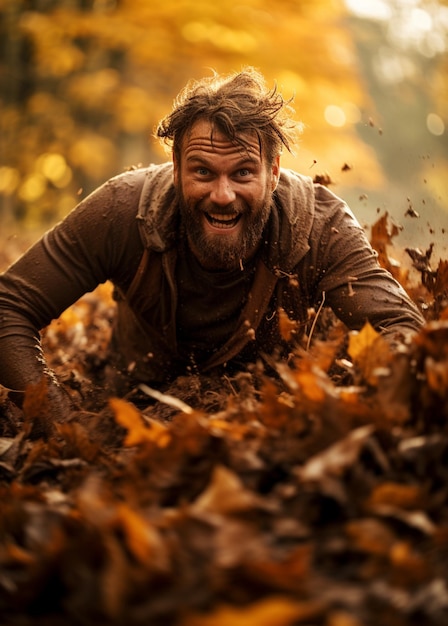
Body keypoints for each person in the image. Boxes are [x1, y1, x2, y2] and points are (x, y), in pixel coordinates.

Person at [0, 67, 424, 412]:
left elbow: (403, 332)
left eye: (242, 173)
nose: (222, 196)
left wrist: (355, 418)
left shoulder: (319, 226)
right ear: (176, 164)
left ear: (273, 172)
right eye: (203, 171)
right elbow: (9, 308)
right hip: (135, 409)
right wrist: (56, 420)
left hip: (276, 421)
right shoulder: (123, 210)